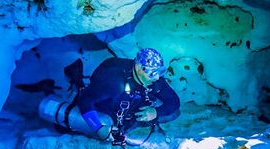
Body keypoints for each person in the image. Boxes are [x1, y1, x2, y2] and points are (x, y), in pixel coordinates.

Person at [37, 48, 180, 144]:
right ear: (138, 67)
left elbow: (174, 102)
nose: (156, 78)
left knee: (172, 114)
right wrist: (98, 128)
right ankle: (57, 87)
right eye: (152, 73)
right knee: (67, 127)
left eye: (159, 72)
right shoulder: (113, 82)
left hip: (127, 114)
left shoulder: (155, 81)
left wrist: (155, 112)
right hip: (104, 109)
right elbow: (86, 100)